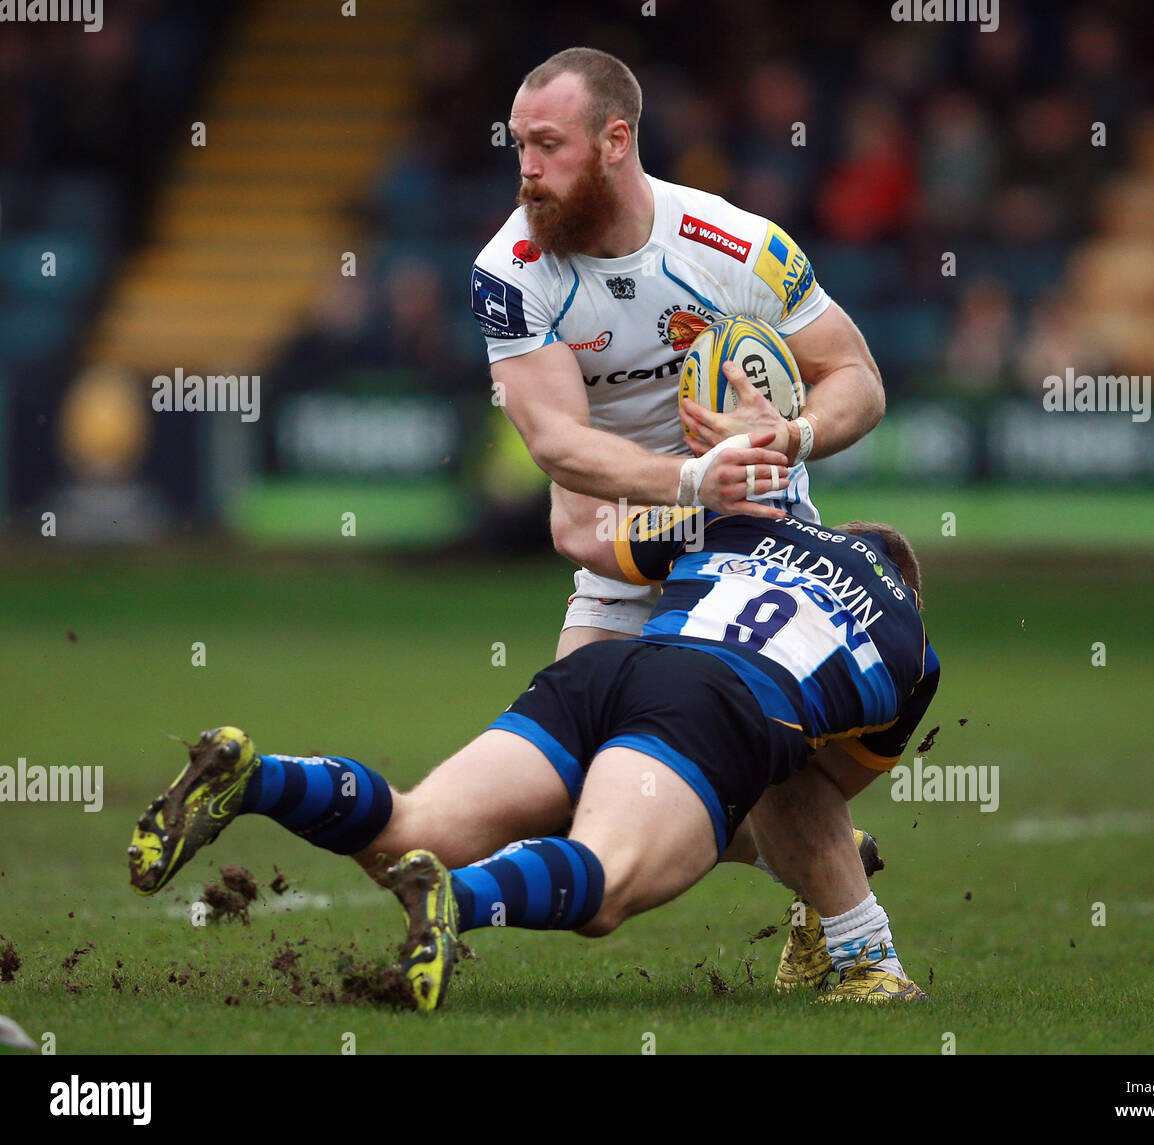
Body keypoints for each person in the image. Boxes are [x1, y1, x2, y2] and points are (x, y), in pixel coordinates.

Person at [125, 490, 939, 1009]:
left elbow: (596, 540)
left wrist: (691, 478)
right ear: (909, 586)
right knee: (607, 882)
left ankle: (255, 777)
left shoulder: (747, 520)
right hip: (713, 707)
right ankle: (460, 901)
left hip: (610, 666)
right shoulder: (912, 645)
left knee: (416, 826)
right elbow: (807, 792)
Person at [468, 46, 890, 981]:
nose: (526, 168)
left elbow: (858, 376)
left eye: (547, 145)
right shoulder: (512, 270)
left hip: (754, 548)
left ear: (616, 141)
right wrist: (691, 483)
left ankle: (862, 947)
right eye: (517, 146)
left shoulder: (735, 244)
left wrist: (795, 435)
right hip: (626, 543)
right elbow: (559, 450)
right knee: (570, 796)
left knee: (753, 757)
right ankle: (820, 867)